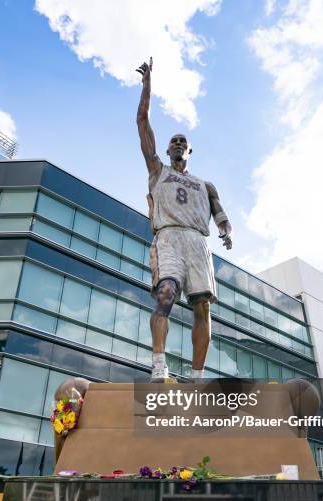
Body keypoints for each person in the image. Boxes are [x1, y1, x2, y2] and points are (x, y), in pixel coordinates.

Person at [136, 57, 232, 382]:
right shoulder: (157, 170)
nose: (177, 143)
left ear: (190, 151)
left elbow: (220, 212)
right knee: (165, 294)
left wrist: (225, 230)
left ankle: (197, 376)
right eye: (173, 141)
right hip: (169, 236)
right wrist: (147, 86)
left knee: (202, 306)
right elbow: (142, 121)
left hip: (197, 241)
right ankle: (158, 365)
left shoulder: (205, 184)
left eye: (183, 141)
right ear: (166, 149)